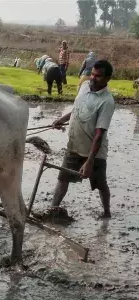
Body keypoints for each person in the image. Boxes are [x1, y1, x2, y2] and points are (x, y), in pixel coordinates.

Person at [50, 60, 115, 219]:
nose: (93, 78)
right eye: (92, 74)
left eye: (98, 76)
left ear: (107, 79)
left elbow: (99, 134)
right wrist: (62, 120)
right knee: (63, 178)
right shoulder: (85, 86)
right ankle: (52, 209)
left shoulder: (107, 102)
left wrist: (89, 161)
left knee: (100, 184)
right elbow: (76, 110)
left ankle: (106, 212)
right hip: (74, 145)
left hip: (94, 152)